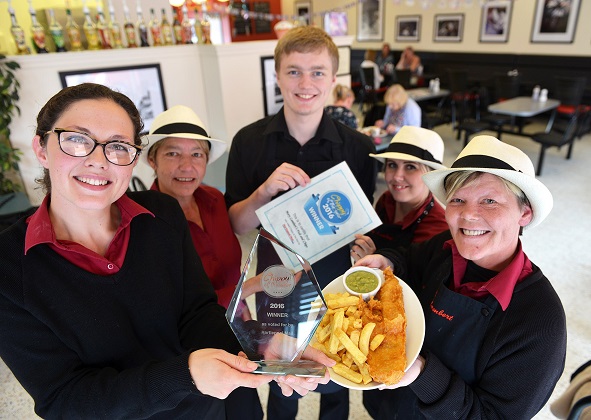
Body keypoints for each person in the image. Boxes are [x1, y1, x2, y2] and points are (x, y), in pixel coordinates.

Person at [0, 83, 334, 419]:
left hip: (207, 407)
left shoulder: (162, 214)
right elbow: (63, 399)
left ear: (131, 160)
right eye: (76, 139)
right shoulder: (9, 267)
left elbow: (197, 312)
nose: (98, 160)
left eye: (117, 146)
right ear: (42, 149)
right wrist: (184, 376)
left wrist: (260, 349)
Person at [225, 26, 377, 420]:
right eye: (293, 71)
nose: (305, 83)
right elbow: (237, 226)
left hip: (336, 279)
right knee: (282, 372)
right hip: (276, 279)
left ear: (333, 79)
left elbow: (363, 225)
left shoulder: (360, 148)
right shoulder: (248, 142)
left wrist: (365, 246)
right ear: (277, 76)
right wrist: (262, 193)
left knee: (335, 369)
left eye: (317, 72)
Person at [356, 135, 567, 419]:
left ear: (525, 213)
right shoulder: (445, 247)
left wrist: (421, 373)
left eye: (489, 201)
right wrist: (387, 260)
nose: (468, 215)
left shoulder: (541, 322)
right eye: (457, 199)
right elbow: (411, 259)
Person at [144, 105, 240, 309]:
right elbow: (174, 306)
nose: (187, 166)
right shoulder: (143, 222)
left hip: (238, 317)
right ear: (153, 160)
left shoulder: (215, 198)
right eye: (173, 153)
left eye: (197, 154)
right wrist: (248, 288)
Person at [351, 126, 448, 262]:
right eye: (392, 165)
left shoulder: (439, 229)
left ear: (431, 176)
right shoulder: (387, 200)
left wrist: (374, 262)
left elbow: (422, 281)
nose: (397, 176)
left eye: (410, 167)